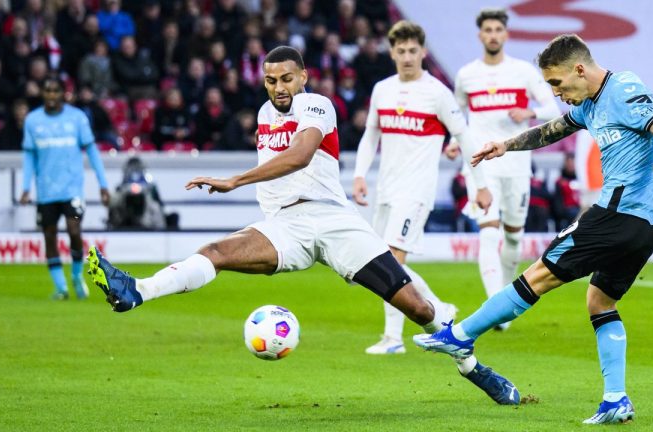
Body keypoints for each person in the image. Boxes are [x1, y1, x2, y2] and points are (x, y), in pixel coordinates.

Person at [88, 46, 519, 406]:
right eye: (272, 81)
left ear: (304, 77)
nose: (280, 88)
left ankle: (471, 368)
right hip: (286, 226)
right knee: (216, 253)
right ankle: (138, 291)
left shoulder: (317, 105)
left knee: (421, 309)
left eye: (287, 79)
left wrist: (234, 180)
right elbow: (282, 167)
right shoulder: (263, 113)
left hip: (334, 222)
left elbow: (298, 156)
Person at [413, 33, 653, 424]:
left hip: (618, 213)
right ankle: (615, 400)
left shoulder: (624, 87)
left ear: (579, 69)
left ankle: (461, 336)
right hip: (647, 224)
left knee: (538, 273)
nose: (556, 92)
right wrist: (505, 145)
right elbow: (551, 130)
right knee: (600, 302)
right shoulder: (590, 105)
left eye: (557, 83)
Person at [352, 21, 492, 355]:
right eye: (400, 51)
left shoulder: (437, 94)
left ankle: (393, 338)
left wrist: (481, 186)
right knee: (377, 259)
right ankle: (440, 310)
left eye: (413, 50)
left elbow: (465, 136)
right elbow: (370, 135)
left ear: (423, 52)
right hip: (385, 188)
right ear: (392, 53)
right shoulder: (382, 90)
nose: (407, 57)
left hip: (416, 191)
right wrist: (359, 175)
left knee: (391, 259)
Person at [445, 8, 560, 330]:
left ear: (505, 34)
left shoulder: (522, 71)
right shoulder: (467, 75)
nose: (493, 35)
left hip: (517, 163)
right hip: (481, 164)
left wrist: (530, 112)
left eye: (498, 29)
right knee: (488, 232)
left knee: (513, 238)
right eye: (488, 30)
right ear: (480, 35)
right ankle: (496, 306)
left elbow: (552, 107)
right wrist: (456, 141)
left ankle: (503, 301)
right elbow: (457, 116)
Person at [20, 77, 110, 300]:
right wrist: (25, 186)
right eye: (47, 91)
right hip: (46, 191)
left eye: (55, 91)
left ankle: (77, 275)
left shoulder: (77, 118)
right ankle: (61, 288)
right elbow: (29, 156)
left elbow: (92, 151)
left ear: (63, 93)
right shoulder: (33, 120)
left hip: (72, 190)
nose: (51, 95)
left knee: (74, 230)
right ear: (42, 94)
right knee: (49, 236)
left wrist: (103, 184)